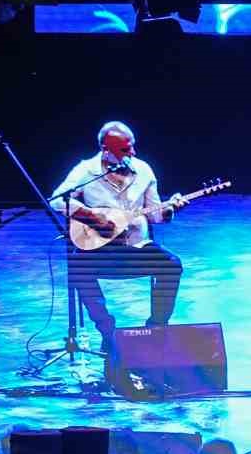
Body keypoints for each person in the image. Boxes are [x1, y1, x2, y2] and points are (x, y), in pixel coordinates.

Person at [48, 121, 185, 347]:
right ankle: (107, 332)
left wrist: (171, 209)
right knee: (77, 268)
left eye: (132, 146)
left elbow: (156, 215)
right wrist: (92, 218)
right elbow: (57, 201)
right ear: (105, 149)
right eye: (124, 149)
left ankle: (156, 328)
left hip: (136, 247)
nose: (132, 152)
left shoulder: (144, 170)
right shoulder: (86, 170)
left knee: (172, 265)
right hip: (100, 249)